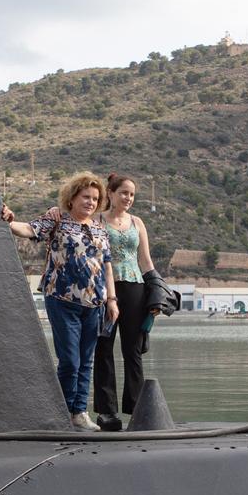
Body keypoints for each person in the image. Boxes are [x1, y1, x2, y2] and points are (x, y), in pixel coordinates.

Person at [2, 172, 119, 429]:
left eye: (95, 198)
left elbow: (107, 266)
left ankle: (79, 412)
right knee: (70, 360)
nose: (90, 202)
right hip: (62, 299)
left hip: (95, 303)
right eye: (86, 197)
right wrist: (10, 221)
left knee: (87, 360)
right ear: (73, 197)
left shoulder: (100, 228)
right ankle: (62, 411)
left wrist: (112, 300)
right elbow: (29, 229)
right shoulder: (56, 219)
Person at [92, 174, 155, 430]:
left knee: (133, 350)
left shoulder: (137, 222)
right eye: (124, 193)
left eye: (132, 194)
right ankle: (107, 412)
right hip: (103, 289)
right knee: (103, 348)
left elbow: (146, 260)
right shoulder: (97, 220)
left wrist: (155, 293)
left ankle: (136, 409)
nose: (128, 198)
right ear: (111, 193)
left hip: (135, 287)